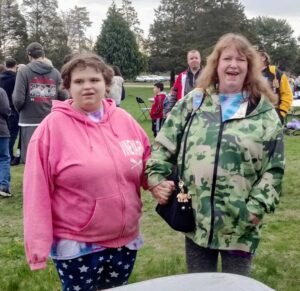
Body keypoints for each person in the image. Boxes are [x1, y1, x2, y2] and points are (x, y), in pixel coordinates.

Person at [146, 33, 284, 276]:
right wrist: (156, 180)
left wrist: (255, 208)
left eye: (241, 59)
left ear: (249, 67)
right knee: (199, 284)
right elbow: (162, 146)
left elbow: (274, 169)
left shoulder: (263, 112)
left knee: (236, 286)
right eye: (226, 58)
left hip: (241, 224)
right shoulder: (194, 103)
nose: (233, 64)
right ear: (216, 65)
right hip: (196, 220)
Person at [23, 53, 151, 290]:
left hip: (125, 241)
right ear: (68, 87)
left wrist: (158, 183)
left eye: (95, 80)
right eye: (79, 81)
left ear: (107, 83)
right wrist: (38, 248)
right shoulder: (51, 130)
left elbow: (147, 162)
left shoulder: (125, 120)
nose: (88, 87)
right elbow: (35, 194)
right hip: (77, 246)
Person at [12, 42, 66, 164]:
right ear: (43, 54)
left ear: (29, 55)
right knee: (50, 158)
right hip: (50, 121)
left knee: (32, 159)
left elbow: (18, 98)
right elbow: (64, 96)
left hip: (29, 122)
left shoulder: (23, 71)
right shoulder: (55, 73)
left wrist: (21, 111)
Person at [257, 47, 293, 124]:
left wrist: (281, 113)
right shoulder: (249, 74)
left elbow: (287, 94)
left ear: (263, 57)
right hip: (254, 115)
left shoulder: (276, 73)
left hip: (273, 114)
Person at [164, 49, 202, 115]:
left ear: (200, 59)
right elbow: (174, 94)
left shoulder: (208, 76)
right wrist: (168, 110)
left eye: (196, 58)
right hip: (184, 112)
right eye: (191, 58)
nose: (194, 60)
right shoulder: (181, 76)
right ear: (188, 61)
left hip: (202, 113)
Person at [0, 57, 19, 164]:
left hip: (2, 110)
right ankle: (9, 154)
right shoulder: (16, 79)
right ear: (15, 65)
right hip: (12, 108)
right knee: (13, 134)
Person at [0, 88, 11, 197]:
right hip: (1, 129)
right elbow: (5, 110)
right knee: (3, 158)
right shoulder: (1, 92)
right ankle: (4, 186)